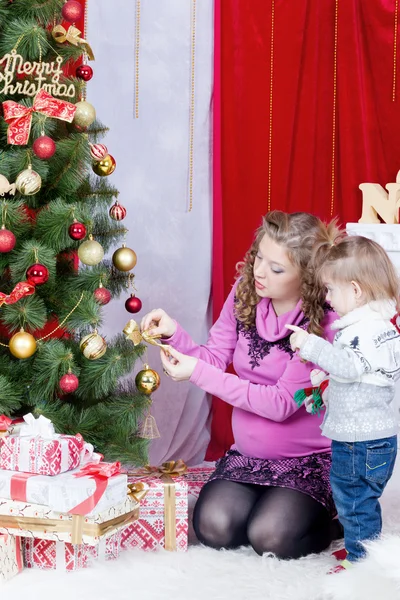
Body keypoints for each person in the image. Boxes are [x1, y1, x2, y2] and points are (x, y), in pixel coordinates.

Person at [141, 211, 340, 558]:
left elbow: (281, 404)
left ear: (306, 276)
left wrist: (198, 374)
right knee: (213, 528)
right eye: (259, 256)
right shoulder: (246, 293)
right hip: (249, 457)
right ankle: (272, 503)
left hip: (307, 461)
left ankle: (335, 521)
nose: (259, 271)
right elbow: (214, 358)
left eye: (276, 268)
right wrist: (175, 334)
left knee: (271, 537)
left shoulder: (320, 323)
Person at [287, 230, 400, 570]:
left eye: (331, 289)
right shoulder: (383, 326)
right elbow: (364, 375)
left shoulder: (360, 331)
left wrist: (311, 346)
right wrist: (326, 380)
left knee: (353, 501)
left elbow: (350, 367)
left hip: (358, 441)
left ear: (355, 289)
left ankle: (362, 561)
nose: (327, 298)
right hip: (378, 436)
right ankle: (363, 549)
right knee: (362, 499)